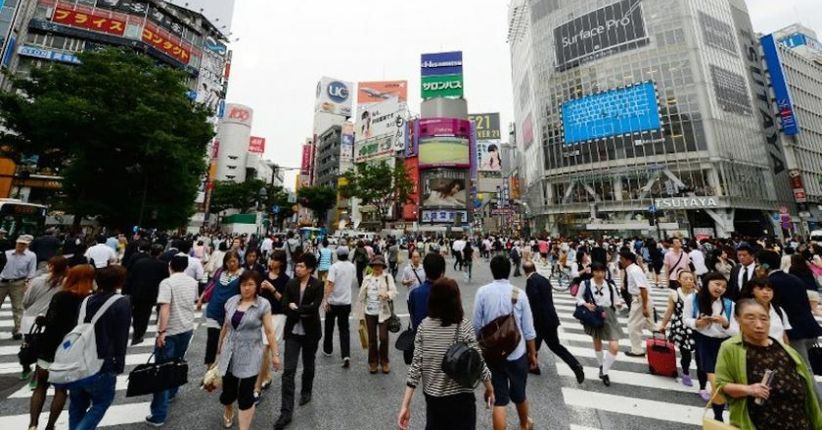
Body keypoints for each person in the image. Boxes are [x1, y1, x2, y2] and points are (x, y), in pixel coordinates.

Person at [398, 278, 494, 430]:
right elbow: (478, 361)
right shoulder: (463, 325)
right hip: (462, 399)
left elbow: (415, 368)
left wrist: (405, 405)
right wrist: (489, 388)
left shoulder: (424, 326)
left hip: (435, 401)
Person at [714, 299, 822, 429]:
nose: (759, 325)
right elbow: (721, 386)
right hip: (759, 423)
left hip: (798, 422)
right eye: (750, 318)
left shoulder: (787, 350)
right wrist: (749, 390)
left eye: (764, 319)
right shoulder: (730, 348)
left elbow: (808, 391)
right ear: (738, 319)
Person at [472, 256, 537, 430]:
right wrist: (533, 354)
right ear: (509, 271)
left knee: (499, 400)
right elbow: (529, 329)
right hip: (517, 352)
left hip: (493, 354)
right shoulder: (519, 294)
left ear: (492, 271)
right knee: (520, 394)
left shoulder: (483, 292)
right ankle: (524, 424)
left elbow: (477, 325)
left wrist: (481, 349)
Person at [27, 264, 94, 430]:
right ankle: (50, 426)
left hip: (49, 347)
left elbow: (51, 322)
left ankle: (33, 424)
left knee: (40, 387)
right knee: (61, 391)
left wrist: (41, 320)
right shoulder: (90, 300)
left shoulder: (61, 297)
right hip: (70, 350)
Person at [68, 265, 131, 430]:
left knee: (77, 405)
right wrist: (120, 362)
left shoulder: (85, 300)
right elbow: (121, 336)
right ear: (119, 282)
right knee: (101, 402)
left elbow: (76, 327)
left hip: (78, 360)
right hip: (103, 361)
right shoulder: (122, 302)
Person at [217, 271, 281, 430]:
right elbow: (225, 326)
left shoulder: (263, 304)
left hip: (251, 353)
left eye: (250, 284)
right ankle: (228, 408)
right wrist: (219, 348)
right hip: (230, 351)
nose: (246, 288)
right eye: (243, 284)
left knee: (246, 394)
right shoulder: (231, 301)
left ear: (257, 286)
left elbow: (269, 331)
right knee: (228, 390)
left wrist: (276, 355)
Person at [146, 255, 199, 427]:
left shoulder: (167, 283)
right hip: (186, 327)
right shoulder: (192, 282)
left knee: (162, 371)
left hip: (170, 331)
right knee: (177, 362)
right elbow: (193, 301)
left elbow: (165, 308)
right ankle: (172, 392)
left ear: (170, 266)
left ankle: (158, 414)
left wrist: (162, 331)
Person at [275, 254, 323, 430]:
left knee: (309, 365)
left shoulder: (318, 284)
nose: (297, 269)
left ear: (309, 269)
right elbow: (284, 305)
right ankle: (285, 412)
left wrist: (296, 308)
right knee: (288, 371)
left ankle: (306, 391)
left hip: (311, 333)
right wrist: (294, 309)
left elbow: (314, 308)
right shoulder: (291, 283)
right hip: (293, 333)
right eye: (297, 266)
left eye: (301, 266)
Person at [756, 250, 822, 371]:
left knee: (803, 369)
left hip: (793, 332)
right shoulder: (794, 279)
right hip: (809, 327)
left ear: (764, 266)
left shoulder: (770, 284)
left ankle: (813, 391)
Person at [684, 272, 738, 416]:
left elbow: (736, 331)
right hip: (705, 342)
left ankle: (720, 415)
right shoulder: (692, 299)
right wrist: (697, 323)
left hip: (725, 344)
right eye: (717, 284)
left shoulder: (729, 305)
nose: (720, 288)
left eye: (724, 286)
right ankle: (718, 417)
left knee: (721, 382)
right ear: (707, 283)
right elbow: (686, 319)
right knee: (715, 382)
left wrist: (725, 323)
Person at [523, 261, 584, 382]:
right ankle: (575, 365)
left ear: (525, 271)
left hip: (540, 321)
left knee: (531, 346)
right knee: (554, 346)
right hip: (551, 318)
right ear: (534, 268)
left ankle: (528, 367)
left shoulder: (531, 281)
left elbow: (533, 302)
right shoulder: (544, 279)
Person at [574, 262, 625, 386]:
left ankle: (605, 371)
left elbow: (616, 302)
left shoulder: (610, 285)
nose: (600, 274)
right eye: (597, 271)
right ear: (592, 272)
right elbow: (578, 298)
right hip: (595, 314)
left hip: (609, 315)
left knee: (614, 346)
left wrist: (619, 305)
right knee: (597, 342)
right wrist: (586, 304)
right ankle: (601, 365)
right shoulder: (585, 284)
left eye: (602, 272)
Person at [21, 256, 68, 382]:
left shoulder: (37, 281)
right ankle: (37, 377)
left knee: (28, 344)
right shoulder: (66, 282)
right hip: (52, 319)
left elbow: (26, 301)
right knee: (44, 348)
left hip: (32, 317)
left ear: (50, 266)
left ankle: (25, 367)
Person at [657, 270, 705, 389]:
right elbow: (669, 311)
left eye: (691, 279)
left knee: (700, 354)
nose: (689, 281)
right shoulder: (675, 294)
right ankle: (686, 372)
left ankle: (702, 381)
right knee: (686, 353)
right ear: (679, 281)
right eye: (685, 278)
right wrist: (663, 325)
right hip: (681, 328)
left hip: (696, 326)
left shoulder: (698, 294)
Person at [354, 255, 398, 374]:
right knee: (372, 339)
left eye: (380, 266)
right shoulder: (367, 278)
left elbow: (394, 291)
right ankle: (373, 362)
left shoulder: (388, 277)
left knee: (383, 338)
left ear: (383, 267)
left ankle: (384, 361)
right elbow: (361, 296)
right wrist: (359, 314)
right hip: (369, 312)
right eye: (375, 266)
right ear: (372, 266)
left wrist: (387, 295)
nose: (377, 268)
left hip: (383, 312)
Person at [200, 251, 244, 367]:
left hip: (229, 313)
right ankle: (209, 370)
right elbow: (211, 285)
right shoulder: (220, 272)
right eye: (229, 261)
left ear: (239, 261)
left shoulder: (242, 275)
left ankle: (224, 369)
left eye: (234, 261)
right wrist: (201, 298)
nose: (231, 264)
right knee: (212, 340)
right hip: (213, 310)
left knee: (227, 342)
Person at [256, 250, 289, 396]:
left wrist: (272, 289)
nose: (271, 261)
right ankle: (266, 376)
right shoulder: (263, 275)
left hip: (277, 316)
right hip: (263, 315)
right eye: (271, 258)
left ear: (281, 262)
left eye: (275, 259)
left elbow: (284, 301)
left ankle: (257, 385)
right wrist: (260, 288)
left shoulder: (285, 279)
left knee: (265, 348)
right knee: (264, 349)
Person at [124, 244, 168, 345]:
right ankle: (139, 334)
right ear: (160, 253)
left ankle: (136, 331)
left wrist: (127, 289)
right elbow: (164, 280)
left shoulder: (140, 262)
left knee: (136, 313)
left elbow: (131, 276)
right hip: (151, 293)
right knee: (145, 314)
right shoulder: (162, 265)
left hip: (136, 291)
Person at [323, 246, 356, 367]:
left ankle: (328, 349)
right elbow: (351, 280)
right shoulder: (352, 267)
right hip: (346, 302)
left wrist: (325, 299)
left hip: (333, 302)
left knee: (329, 326)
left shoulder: (334, 267)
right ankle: (346, 354)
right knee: (344, 329)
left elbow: (330, 284)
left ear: (337, 255)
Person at [1, 234, 37, 341]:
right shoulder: (7, 253)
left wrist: (28, 283)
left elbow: (31, 272)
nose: (20, 246)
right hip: (2, 282)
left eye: (23, 244)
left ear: (27, 245)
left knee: (18, 307)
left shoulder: (31, 256)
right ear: (16, 243)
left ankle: (17, 330)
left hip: (18, 283)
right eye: (19, 243)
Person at [738, 277, 791, 344]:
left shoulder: (778, 310)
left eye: (769, 290)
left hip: (779, 351)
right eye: (761, 289)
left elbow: (784, 334)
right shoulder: (745, 310)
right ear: (752, 291)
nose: (765, 292)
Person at [620, 250, 653, 357]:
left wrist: (644, 307)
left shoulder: (634, 270)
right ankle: (662, 342)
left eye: (621, 259)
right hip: (642, 299)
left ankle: (637, 350)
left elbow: (643, 289)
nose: (620, 261)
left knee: (633, 325)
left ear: (627, 260)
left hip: (640, 300)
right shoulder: (633, 269)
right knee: (650, 324)